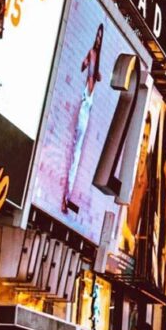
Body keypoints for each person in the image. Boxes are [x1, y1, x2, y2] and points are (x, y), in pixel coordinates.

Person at [65, 24, 104, 214]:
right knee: (74, 150)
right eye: (97, 35)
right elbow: (82, 66)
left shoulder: (99, 58)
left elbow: (98, 78)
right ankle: (66, 195)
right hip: (84, 101)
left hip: (89, 103)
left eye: (100, 37)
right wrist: (86, 62)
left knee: (78, 152)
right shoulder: (92, 53)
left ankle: (68, 195)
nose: (98, 39)